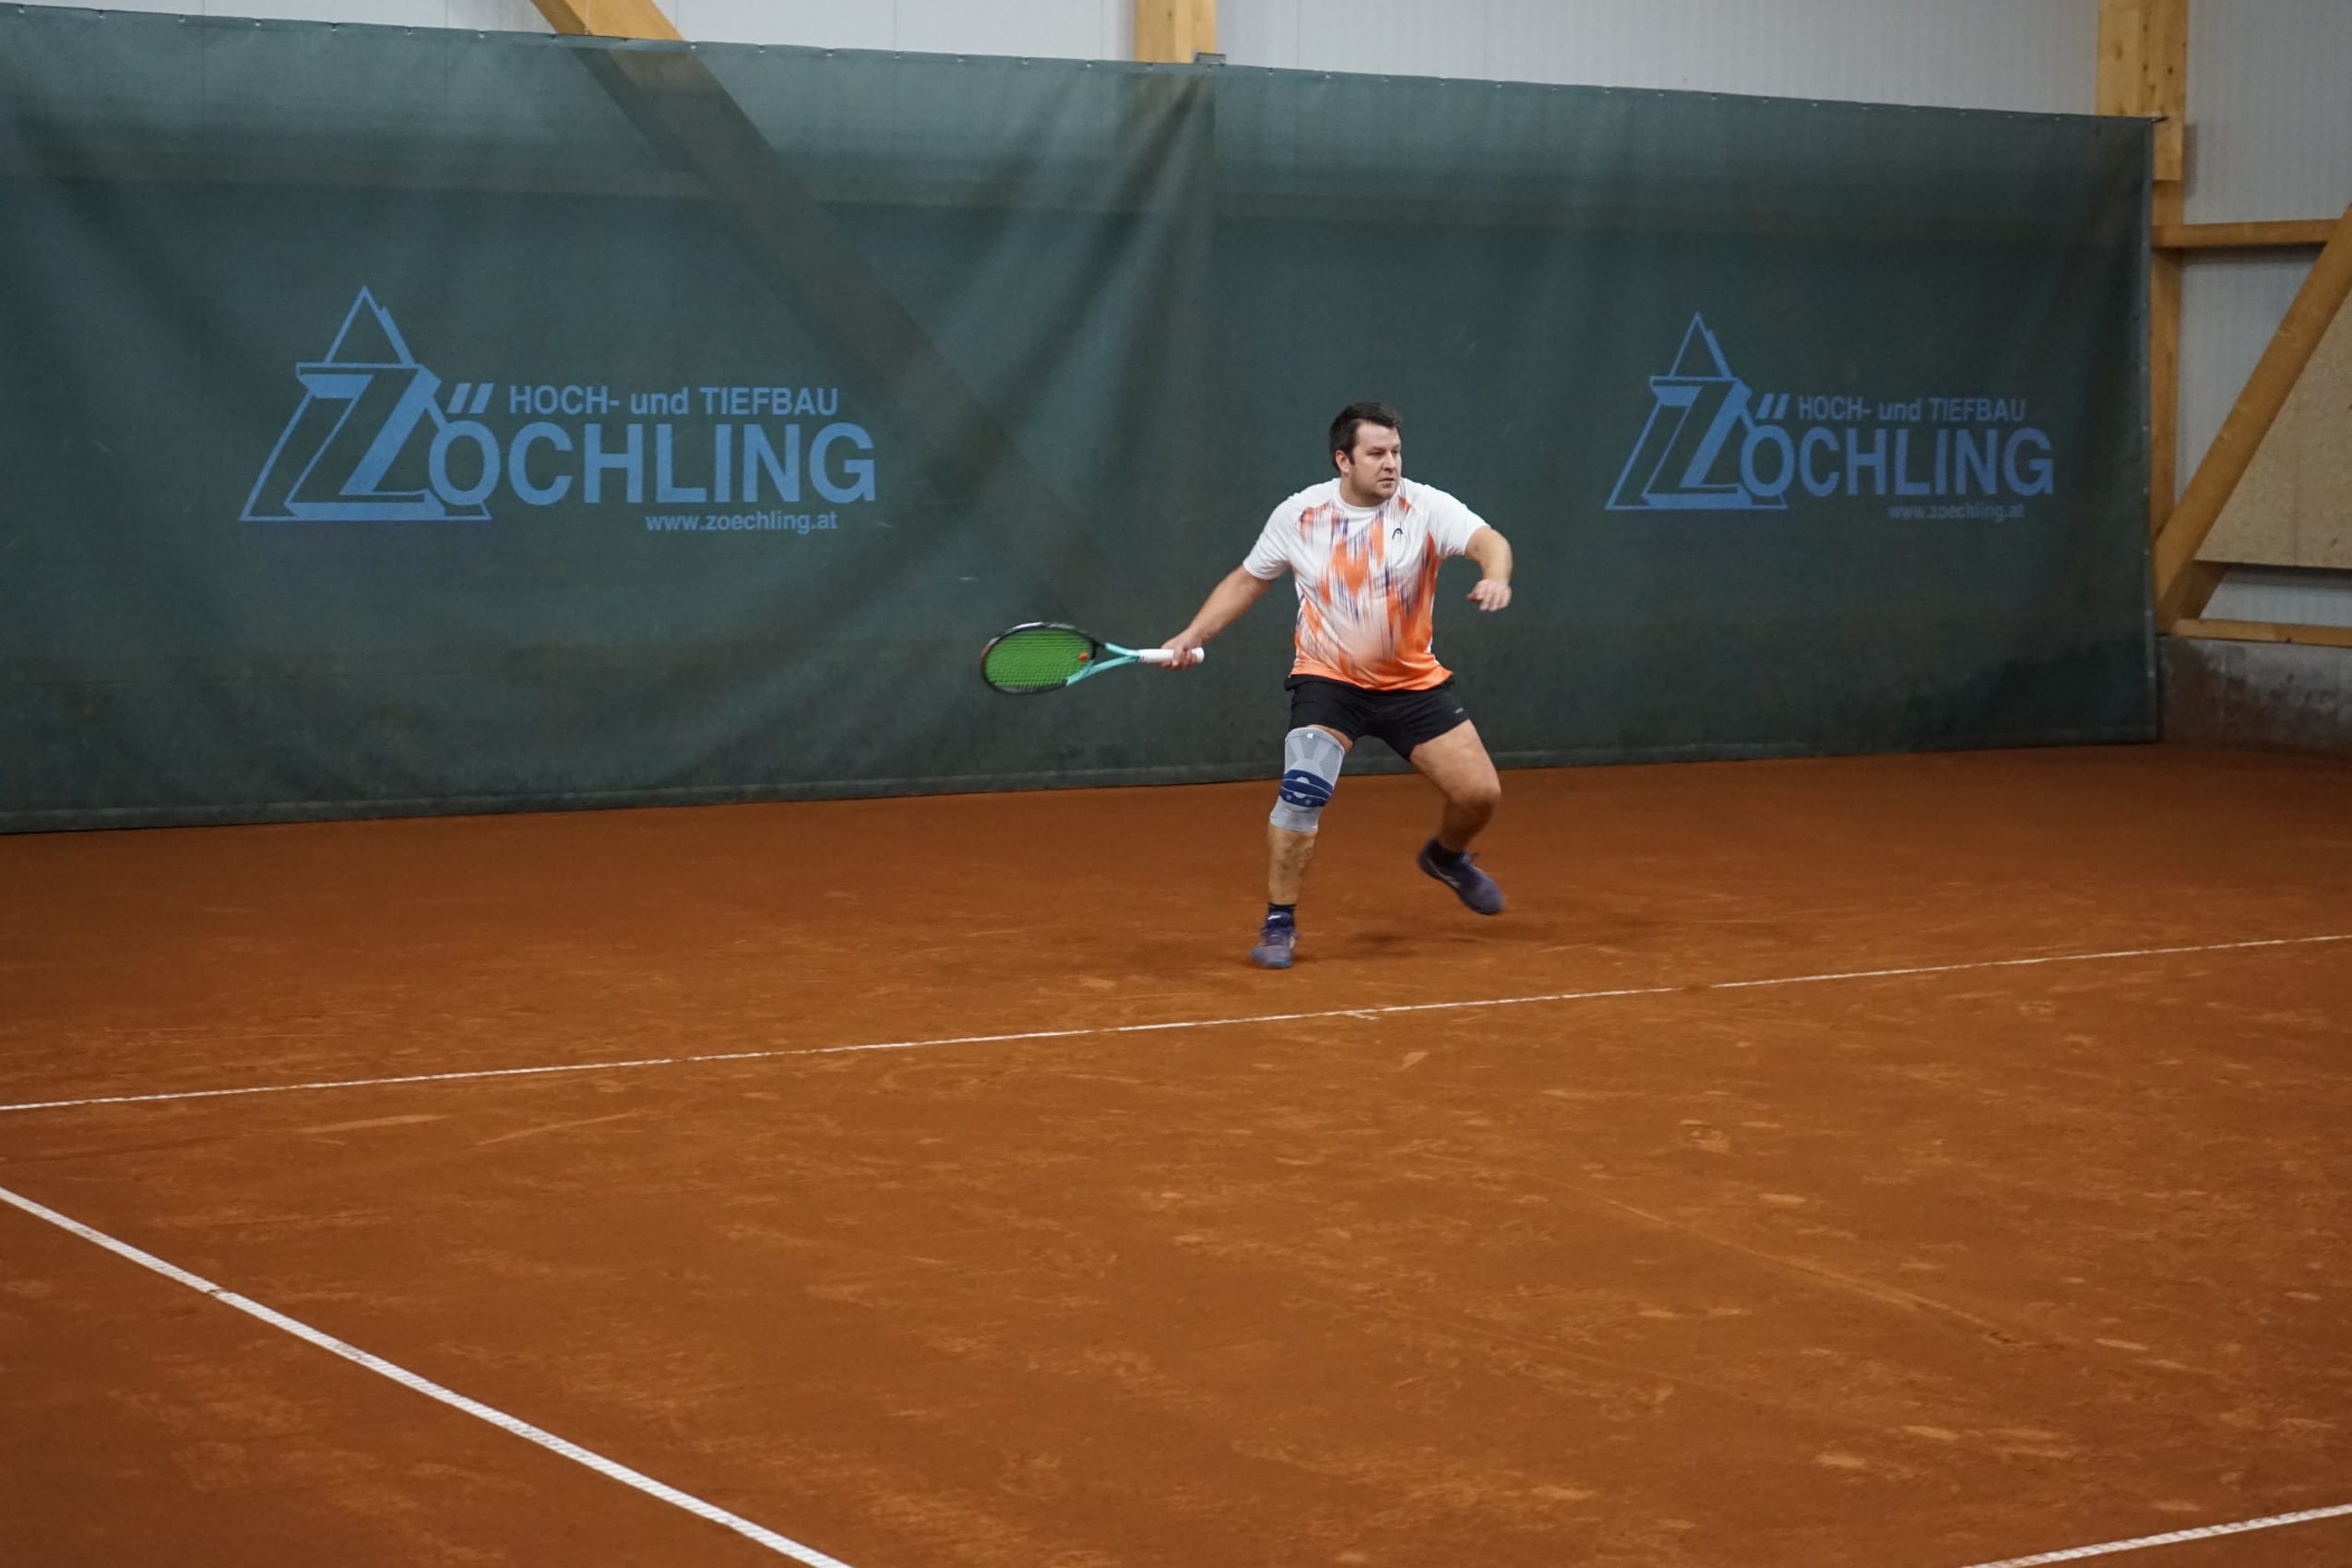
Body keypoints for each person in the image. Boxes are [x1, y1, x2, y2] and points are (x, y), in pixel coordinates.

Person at [1160, 402, 1515, 968]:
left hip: (1413, 684)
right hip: (1330, 681)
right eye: (1376, 453)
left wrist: (1495, 575)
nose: (1391, 463)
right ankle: (1279, 922)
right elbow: (1249, 579)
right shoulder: (1300, 515)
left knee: (1479, 795)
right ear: (1343, 460)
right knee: (1302, 791)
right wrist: (1194, 634)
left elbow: (1488, 541)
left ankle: (1446, 858)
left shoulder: (1425, 506)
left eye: (1396, 451)